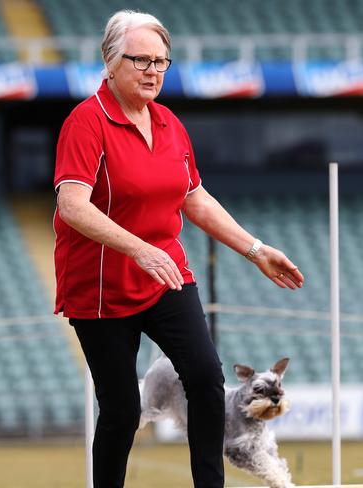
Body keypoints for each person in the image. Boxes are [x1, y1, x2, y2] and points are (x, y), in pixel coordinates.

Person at [53, 10, 304, 488]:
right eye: (141, 60)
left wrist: (256, 249)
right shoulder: (86, 121)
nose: (152, 71)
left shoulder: (169, 123)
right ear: (110, 62)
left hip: (166, 274)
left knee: (207, 377)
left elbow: (194, 197)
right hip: (101, 287)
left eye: (161, 62)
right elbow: (72, 206)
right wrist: (138, 250)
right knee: (123, 408)